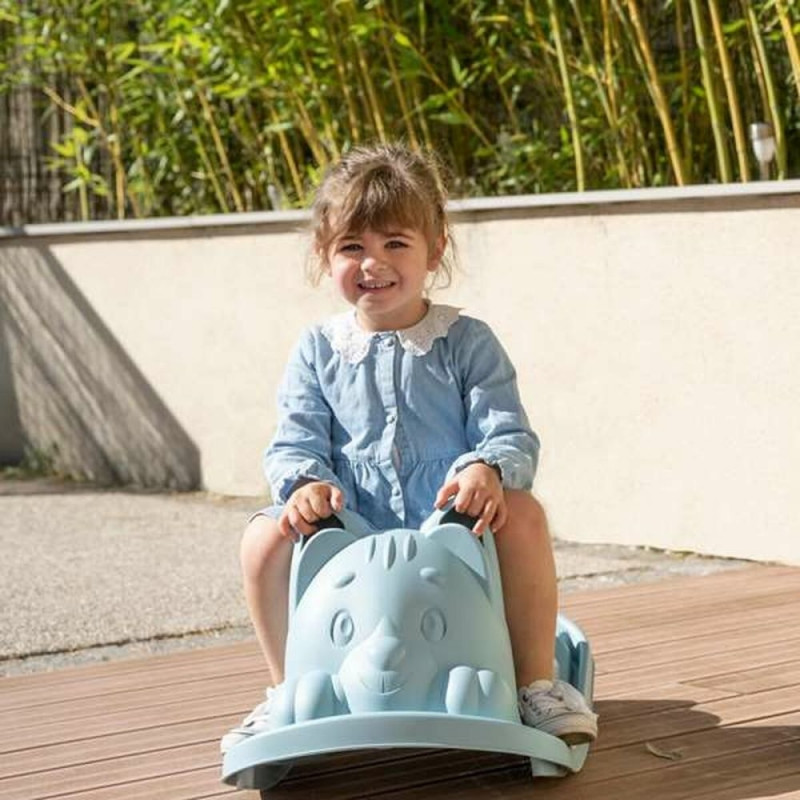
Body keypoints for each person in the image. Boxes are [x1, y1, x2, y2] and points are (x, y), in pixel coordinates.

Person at [220, 143, 598, 753]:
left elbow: (507, 430)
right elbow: (294, 438)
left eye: (395, 243)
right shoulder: (318, 349)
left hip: (452, 527)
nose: (373, 263)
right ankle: (288, 688)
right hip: (349, 532)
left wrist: (485, 467)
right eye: (352, 247)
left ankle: (536, 683)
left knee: (525, 514)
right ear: (324, 253)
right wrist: (305, 483)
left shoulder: (466, 342)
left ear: (434, 250)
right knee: (263, 537)